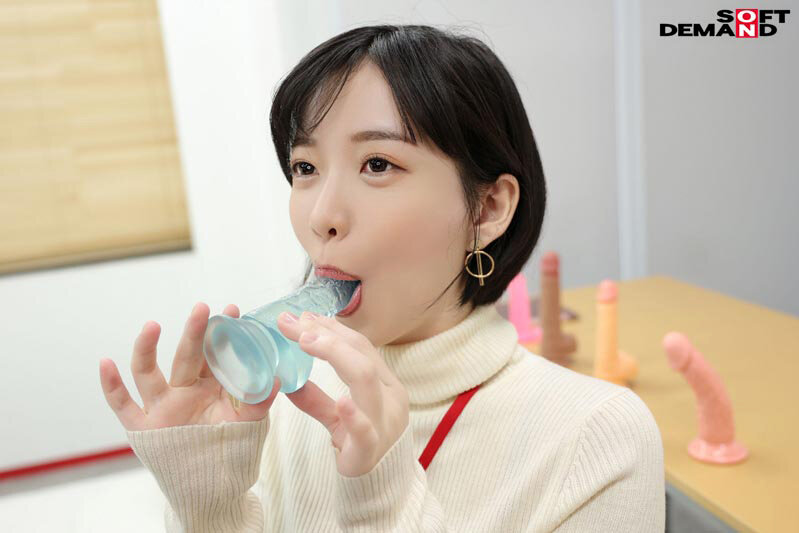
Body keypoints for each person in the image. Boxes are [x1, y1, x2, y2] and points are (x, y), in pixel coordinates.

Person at [99, 23, 665, 532]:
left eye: (377, 164)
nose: (322, 215)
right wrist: (208, 509)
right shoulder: (284, 402)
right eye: (305, 167)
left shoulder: (598, 437)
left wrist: (384, 499)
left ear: (488, 208)